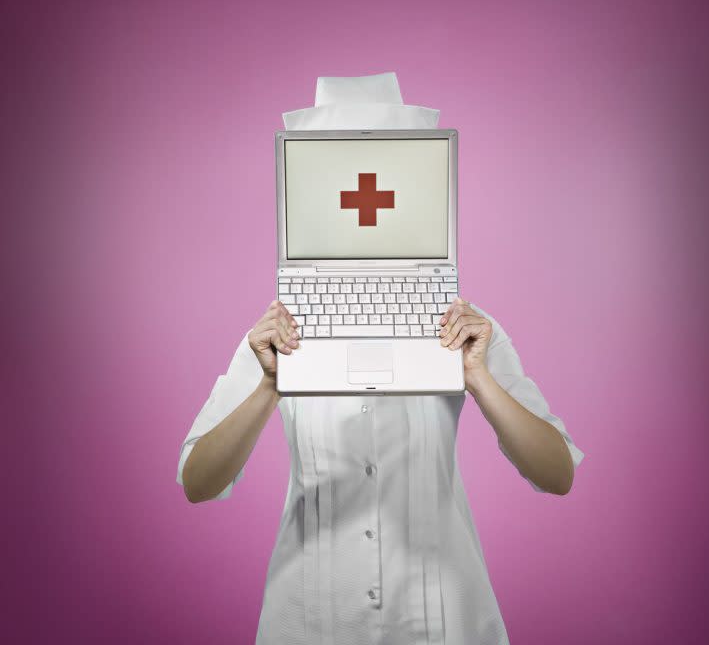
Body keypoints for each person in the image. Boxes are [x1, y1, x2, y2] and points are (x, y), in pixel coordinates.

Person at [176, 73, 584, 644]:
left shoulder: (465, 325)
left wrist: (478, 378)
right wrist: (273, 383)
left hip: (443, 623)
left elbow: (557, 472)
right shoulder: (280, 331)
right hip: (312, 624)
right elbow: (198, 481)